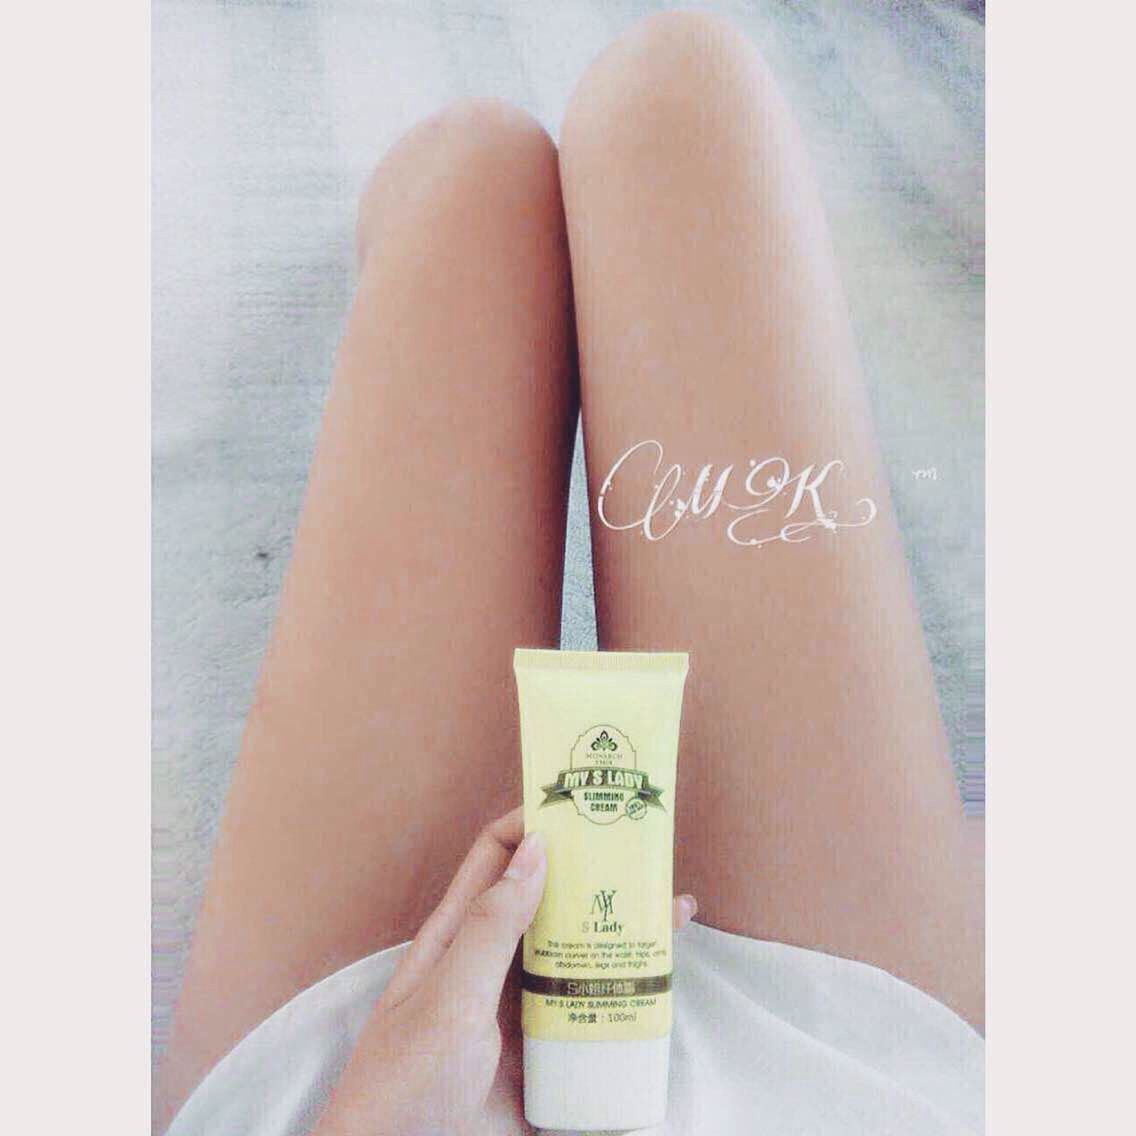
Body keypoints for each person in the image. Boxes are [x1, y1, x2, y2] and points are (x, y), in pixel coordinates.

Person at [156, 12, 984, 1134]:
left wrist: (376, 1112)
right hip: (838, 1073)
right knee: (676, 88)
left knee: (476, 177)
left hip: (369, 1082)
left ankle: (431, 201)